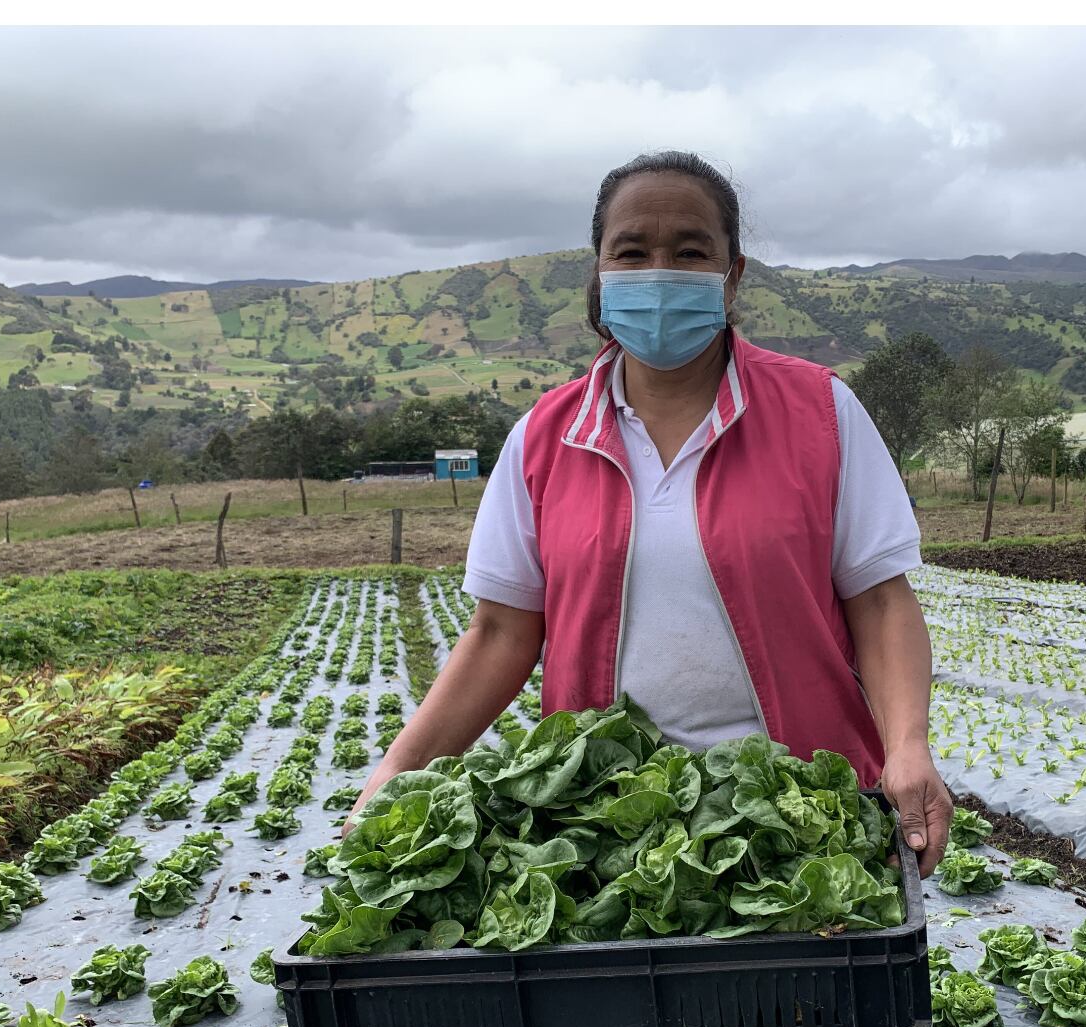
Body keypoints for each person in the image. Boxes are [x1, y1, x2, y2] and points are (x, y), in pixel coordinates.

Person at [349, 150, 952, 875]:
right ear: (600, 276)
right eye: (631, 251)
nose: (659, 270)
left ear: (732, 276)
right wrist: (397, 773)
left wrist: (908, 747)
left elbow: (882, 604)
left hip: (802, 812)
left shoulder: (821, 413)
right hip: (608, 823)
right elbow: (501, 632)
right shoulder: (546, 434)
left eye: (690, 251)